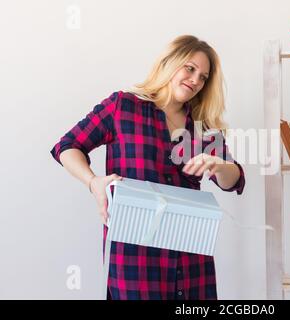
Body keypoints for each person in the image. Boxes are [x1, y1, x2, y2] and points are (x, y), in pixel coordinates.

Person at [50, 35, 245, 300]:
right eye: (190, 68)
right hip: (136, 261)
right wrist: (93, 181)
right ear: (169, 62)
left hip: (191, 261)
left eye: (203, 77)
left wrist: (220, 165)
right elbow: (68, 146)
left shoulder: (201, 126)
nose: (196, 80)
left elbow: (233, 180)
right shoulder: (122, 106)